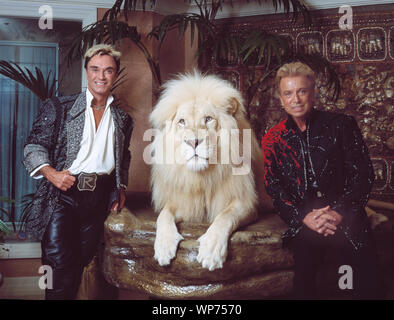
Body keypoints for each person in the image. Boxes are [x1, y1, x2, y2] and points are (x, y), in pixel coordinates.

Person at [261, 62, 383, 299]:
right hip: (306, 217)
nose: (295, 99)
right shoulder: (273, 138)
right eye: (288, 93)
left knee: (362, 276)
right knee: (304, 279)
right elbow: (274, 187)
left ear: (313, 92)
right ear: (281, 98)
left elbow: (363, 174)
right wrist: (303, 217)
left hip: (345, 212)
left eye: (302, 91)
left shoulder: (342, 125)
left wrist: (338, 212)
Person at [23, 44, 133, 299]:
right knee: (59, 267)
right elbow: (33, 146)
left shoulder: (123, 119)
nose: (101, 76)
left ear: (115, 75)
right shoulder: (60, 107)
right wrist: (51, 173)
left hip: (98, 200)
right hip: (62, 197)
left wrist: (121, 187)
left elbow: (123, 157)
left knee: (80, 263)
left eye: (108, 71)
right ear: (86, 72)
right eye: (95, 69)